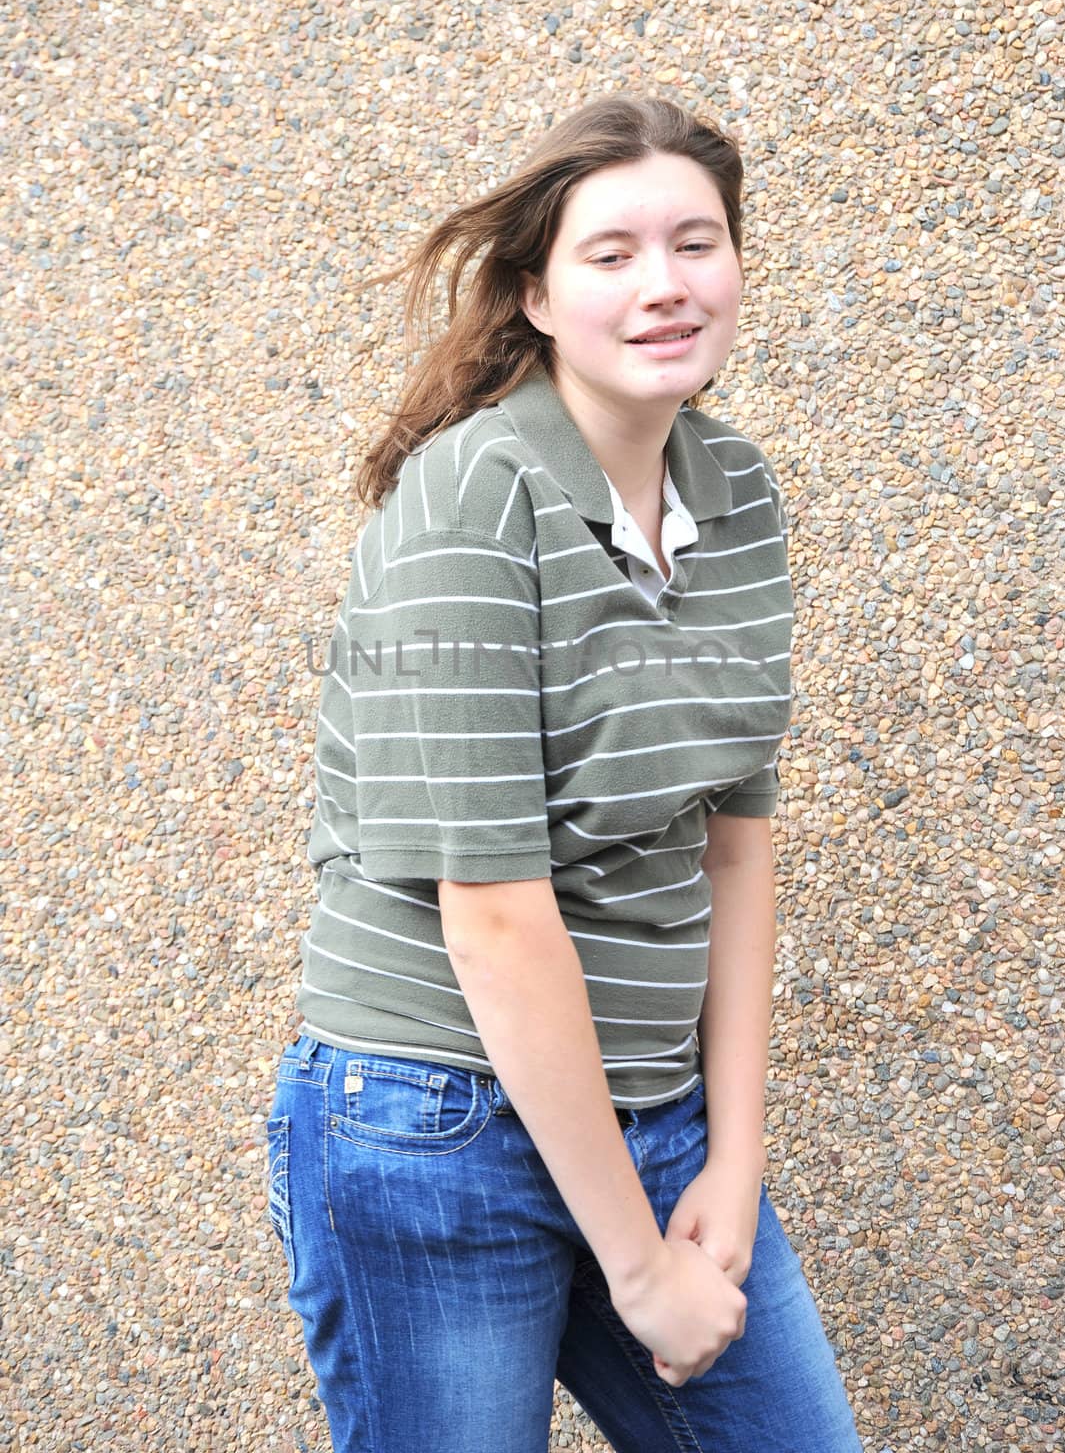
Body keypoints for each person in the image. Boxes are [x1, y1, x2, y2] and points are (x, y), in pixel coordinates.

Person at [265, 93, 863, 1453]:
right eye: (612, 254)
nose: (664, 285)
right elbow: (489, 911)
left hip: (653, 1115)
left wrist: (731, 1152)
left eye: (696, 243)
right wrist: (640, 1270)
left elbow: (734, 842)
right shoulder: (474, 497)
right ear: (535, 293)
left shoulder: (736, 489)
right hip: (436, 1125)